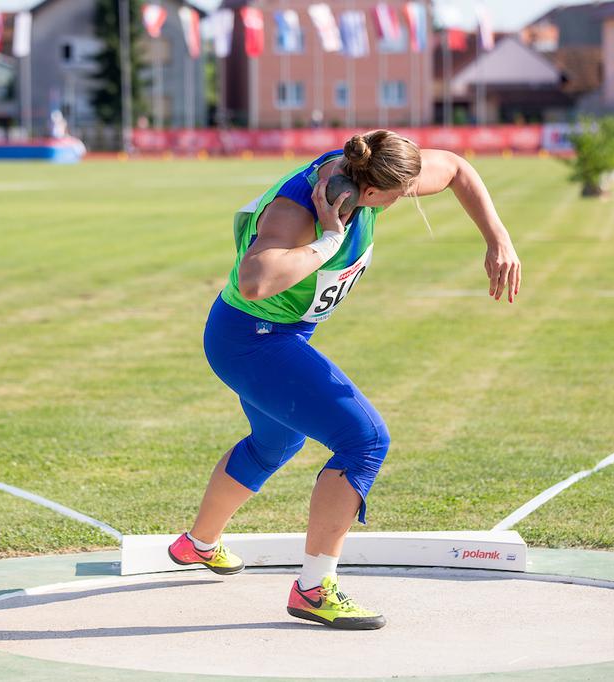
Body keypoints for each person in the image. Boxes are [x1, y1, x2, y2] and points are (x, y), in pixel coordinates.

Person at [167, 130, 522, 630]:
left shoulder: (368, 176)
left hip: (272, 335)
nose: (403, 201)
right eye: (398, 197)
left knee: (277, 441)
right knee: (365, 440)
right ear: (371, 193)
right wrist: (329, 240)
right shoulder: (298, 212)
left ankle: (198, 543)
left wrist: (499, 240)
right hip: (252, 338)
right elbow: (256, 279)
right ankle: (313, 589)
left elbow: (458, 169)